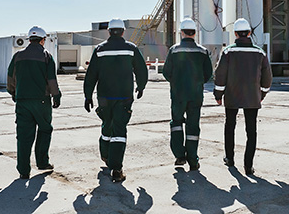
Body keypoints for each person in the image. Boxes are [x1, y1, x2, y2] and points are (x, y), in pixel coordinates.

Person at [83, 18, 148, 182]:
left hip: (104, 97)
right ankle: (116, 168)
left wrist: (87, 95)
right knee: (119, 130)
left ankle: (106, 156)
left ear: (109, 31)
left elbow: (91, 75)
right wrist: (141, 87)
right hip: (124, 97)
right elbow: (141, 70)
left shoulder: (100, 49)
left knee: (107, 125)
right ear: (123, 31)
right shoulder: (131, 48)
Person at [213, 18, 272, 176]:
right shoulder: (260, 53)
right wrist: (262, 94)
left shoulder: (228, 52)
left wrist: (218, 95)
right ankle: (248, 166)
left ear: (235, 34)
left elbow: (220, 75)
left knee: (229, 127)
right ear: (250, 33)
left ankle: (230, 159)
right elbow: (267, 78)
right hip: (252, 97)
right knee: (251, 131)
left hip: (232, 96)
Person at [7, 26, 62, 180]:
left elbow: (10, 77)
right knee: (45, 130)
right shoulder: (46, 56)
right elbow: (52, 80)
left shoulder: (18, 56)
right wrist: (56, 96)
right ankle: (42, 162)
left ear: (29, 39)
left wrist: (14, 93)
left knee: (24, 135)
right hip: (42, 102)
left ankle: (24, 171)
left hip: (22, 102)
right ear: (43, 40)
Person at [162, 17, 213, 171]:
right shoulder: (202, 51)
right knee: (193, 126)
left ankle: (179, 155)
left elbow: (166, 72)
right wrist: (197, 83)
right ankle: (193, 159)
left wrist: (176, 83)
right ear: (195, 33)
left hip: (178, 95)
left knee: (176, 123)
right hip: (195, 95)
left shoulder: (174, 50)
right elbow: (208, 74)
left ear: (181, 32)